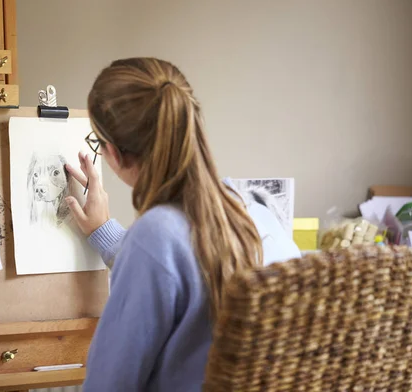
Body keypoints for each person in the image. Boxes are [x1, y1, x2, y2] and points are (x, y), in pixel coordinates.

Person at [64, 58, 300, 391]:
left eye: (97, 143)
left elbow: (108, 383)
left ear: (113, 153)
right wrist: (106, 233)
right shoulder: (249, 206)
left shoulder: (156, 234)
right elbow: (187, 268)